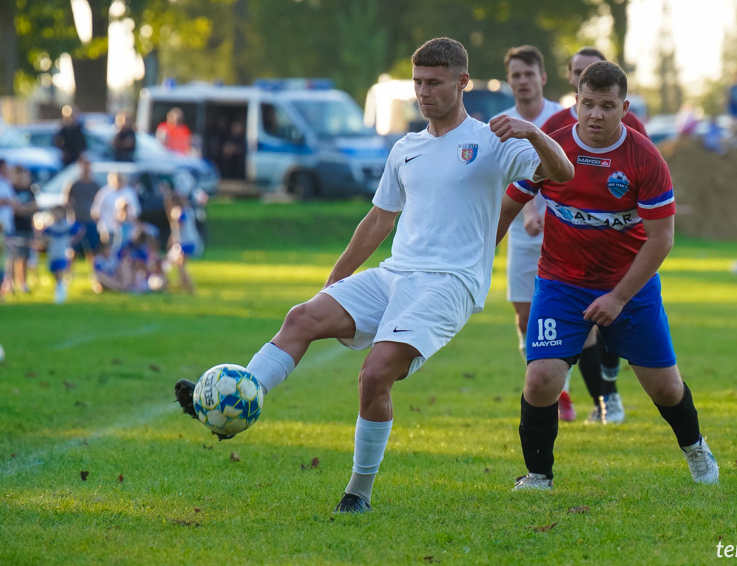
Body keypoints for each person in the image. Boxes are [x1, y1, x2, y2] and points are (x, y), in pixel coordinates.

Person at [173, 37, 573, 514]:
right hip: (394, 274)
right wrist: (334, 285)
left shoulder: (492, 142)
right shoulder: (406, 148)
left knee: (375, 373)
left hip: (450, 283)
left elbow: (562, 172)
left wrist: (532, 132)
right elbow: (377, 223)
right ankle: (234, 403)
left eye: (435, 83)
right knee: (301, 318)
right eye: (418, 83)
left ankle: (357, 494)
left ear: (463, 82)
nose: (424, 93)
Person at [498, 60, 719, 491]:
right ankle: (539, 476)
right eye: (588, 104)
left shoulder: (644, 159)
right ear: (575, 103)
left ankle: (695, 448)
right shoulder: (552, 148)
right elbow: (507, 207)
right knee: (541, 378)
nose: (595, 113)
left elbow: (661, 239)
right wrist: (474, 261)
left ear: (624, 108)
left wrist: (618, 297)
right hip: (560, 283)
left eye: (606, 105)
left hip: (629, 289)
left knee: (665, 388)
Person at [540, 46, 640, 425]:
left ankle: (609, 385)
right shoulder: (555, 131)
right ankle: (606, 399)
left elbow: (649, 185)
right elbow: (529, 183)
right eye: (579, 71)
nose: (597, 111)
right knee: (584, 332)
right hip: (565, 254)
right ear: (573, 82)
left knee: (610, 329)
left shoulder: (632, 135)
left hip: (620, 259)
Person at [494, 45, 569, 415]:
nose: (523, 81)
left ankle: (561, 390)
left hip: (567, 227)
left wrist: (541, 208)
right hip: (524, 234)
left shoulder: (564, 117)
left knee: (573, 316)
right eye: (516, 76)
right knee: (525, 316)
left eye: (528, 74)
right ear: (509, 82)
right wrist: (524, 212)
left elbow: (567, 172)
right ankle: (540, 384)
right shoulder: (501, 124)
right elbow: (506, 179)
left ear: (542, 77)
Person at [64, 156, 102, 268]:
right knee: (73, 249)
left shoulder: (95, 185)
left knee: (93, 250)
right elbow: (67, 201)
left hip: (91, 221)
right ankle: (68, 275)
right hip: (77, 221)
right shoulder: (74, 184)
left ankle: (95, 274)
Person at [41, 205, 83, 304]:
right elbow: (43, 235)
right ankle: (59, 287)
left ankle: (60, 291)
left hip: (62, 251)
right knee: (55, 271)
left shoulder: (67, 225)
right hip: (53, 251)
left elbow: (80, 230)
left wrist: (72, 242)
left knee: (60, 270)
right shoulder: (51, 227)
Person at [91, 172, 141, 246]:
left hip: (127, 227)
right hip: (108, 228)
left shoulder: (129, 192)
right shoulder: (104, 193)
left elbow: (136, 211)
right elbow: (96, 211)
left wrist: (125, 218)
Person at [166, 192, 201, 294]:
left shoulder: (178, 211)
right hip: (192, 240)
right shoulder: (188, 210)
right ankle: (182, 284)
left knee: (180, 265)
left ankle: (190, 287)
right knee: (180, 264)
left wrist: (174, 239)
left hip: (184, 241)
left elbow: (178, 227)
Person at [10, 165, 38, 294]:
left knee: (25, 257)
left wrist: (23, 209)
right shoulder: (13, 190)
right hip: (16, 227)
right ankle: (11, 283)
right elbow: (15, 208)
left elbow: (35, 206)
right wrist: (24, 209)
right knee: (14, 256)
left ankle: (23, 282)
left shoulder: (30, 190)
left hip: (27, 227)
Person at [0, 160, 17, 296]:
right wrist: (6, 201)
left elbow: (14, 203)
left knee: (8, 258)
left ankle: (7, 285)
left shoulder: (7, 184)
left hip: (8, 226)